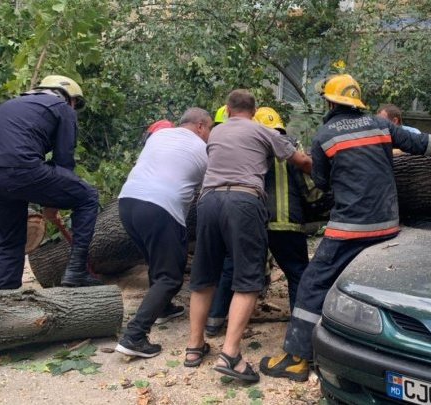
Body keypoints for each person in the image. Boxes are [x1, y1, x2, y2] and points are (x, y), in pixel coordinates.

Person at [260, 74, 431, 381]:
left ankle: (297, 358)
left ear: (330, 101)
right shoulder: (381, 125)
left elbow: (322, 183)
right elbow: (421, 143)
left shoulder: (325, 136)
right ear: (357, 102)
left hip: (348, 228)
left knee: (312, 283)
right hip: (388, 226)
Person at [184, 90, 312, 383]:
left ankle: (194, 347)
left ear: (227, 110)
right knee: (248, 277)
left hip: (208, 201)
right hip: (243, 201)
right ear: (253, 111)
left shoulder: (214, 134)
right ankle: (230, 354)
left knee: (204, 276)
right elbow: (301, 161)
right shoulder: (261, 130)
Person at [0, 75, 100, 289]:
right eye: (75, 104)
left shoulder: (8, 104)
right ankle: (76, 271)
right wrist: (51, 206)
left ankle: (2, 300)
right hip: (21, 169)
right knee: (88, 197)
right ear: (69, 97)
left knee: (10, 239)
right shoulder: (62, 107)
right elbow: (64, 161)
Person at [204, 106, 313, 337]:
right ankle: (299, 329)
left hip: (252, 221)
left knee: (233, 266)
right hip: (287, 223)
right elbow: (308, 184)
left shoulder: (251, 143)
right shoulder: (290, 144)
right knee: (297, 274)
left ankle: (214, 321)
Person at [114, 108, 211, 358]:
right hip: (160, 208)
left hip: (126, 202)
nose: (209, 135)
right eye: (209, 129)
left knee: (155, 258)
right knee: (170, 276)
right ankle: (134, 336)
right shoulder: (203, 149)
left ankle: (163, 307)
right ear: (200, 126)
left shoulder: (159, 136)